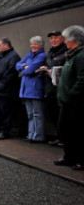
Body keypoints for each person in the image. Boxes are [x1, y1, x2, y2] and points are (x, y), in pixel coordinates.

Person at [54, 25, 84, 170]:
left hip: (76, 102)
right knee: (65, 130)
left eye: (65, 39)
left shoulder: (81, 56)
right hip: (67, 101)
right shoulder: (72, 55)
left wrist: (71, 94)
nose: (64, 41)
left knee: (76, 131)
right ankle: (69, 157)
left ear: (74, 40)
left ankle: (80, 159)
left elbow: (82, 79)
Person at [0, 38, 21, 140]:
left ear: (6, 45)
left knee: (5, 112)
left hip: (6, 91)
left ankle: (5, 131)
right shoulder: (0, 57)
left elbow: (11, 74)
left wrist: (0, 85)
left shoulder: (13, 56)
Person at [16, 36, 47, 143]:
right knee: (30, 114)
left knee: (37, 114)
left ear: (41, 45)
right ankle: (31, 134)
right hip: (26, 89)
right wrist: (25, 67)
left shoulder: (42, 56)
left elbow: (30, 69)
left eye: (35, 44)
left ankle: (38, 136)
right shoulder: (29, 55)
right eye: (32, 44)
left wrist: (24, 68)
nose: (33, 46)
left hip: (35, 89)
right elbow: (17, 65)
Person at [42, 31, 68, 146]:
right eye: (51, 38)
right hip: (50, 89)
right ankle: (59, 137)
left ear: (62, 39)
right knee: (53, 114)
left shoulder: (66, 52)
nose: (53, 40)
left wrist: (49, 71)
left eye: (56, 37)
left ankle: (65, 139)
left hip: (61, 90)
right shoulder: (49, 53)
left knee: (63, 116)